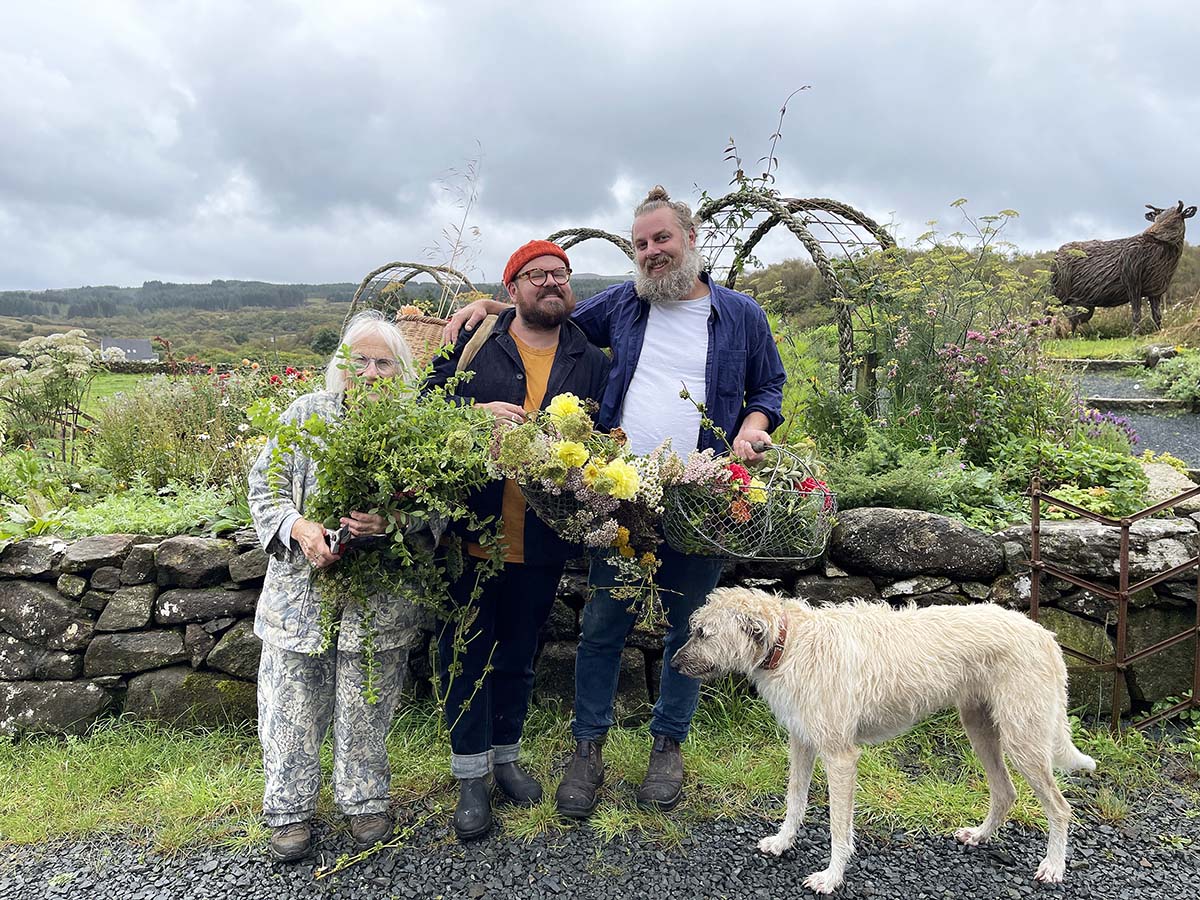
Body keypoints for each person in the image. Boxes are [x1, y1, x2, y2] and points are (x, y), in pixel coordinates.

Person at [443, 186, 786, 817]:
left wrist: (752, 425)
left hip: (703, 499)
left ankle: (667, 747)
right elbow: (551, 315)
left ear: (689, 241)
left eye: (662, 239)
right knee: (603, 627)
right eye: (641, 244)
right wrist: (492, 303)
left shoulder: (741, 315)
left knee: (694, 627)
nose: (652, 252)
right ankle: (588, 749)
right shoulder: (625, 306)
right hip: (622, 500)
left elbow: (769, 385)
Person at [425, 240, 611, 840]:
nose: (551, 283)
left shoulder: (591, 357)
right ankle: (470, 778)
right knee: (467, 655)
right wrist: (474, 421)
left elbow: (606, 435)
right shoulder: (476, 340)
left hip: (542, 540)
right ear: (512, 288)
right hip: (470, 533)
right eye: (536, 275)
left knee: (519, 657)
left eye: (560, 274)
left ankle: (505, 760)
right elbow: (423, 411)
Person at [248, 310, 423, 862]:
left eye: (383, 363)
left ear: (401, 370)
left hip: (379, 602)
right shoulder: (305, 414)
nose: (370, 373)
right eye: (358, 362)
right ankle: (289, 812)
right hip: (301, 597)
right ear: (340, 367)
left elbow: (439, 515)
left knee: (367, 704)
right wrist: (297, 527)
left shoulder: (415, 432)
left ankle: (365, 801)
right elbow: (264, 486)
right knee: (290, 706)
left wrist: (392, 525)